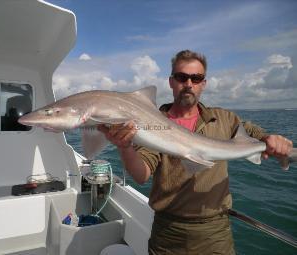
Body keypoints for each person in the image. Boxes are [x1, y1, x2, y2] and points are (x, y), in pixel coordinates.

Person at [98, 50, 293, 255]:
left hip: (214, 232)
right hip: (168, 233)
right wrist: (124, 146)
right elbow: (141, 175)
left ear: (204, 83)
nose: (189, 84)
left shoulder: (223, 119)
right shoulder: (152, 123)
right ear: (171, 81)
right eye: (182, 77)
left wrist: (271, 140)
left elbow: (255, 133)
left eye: (196, 78)